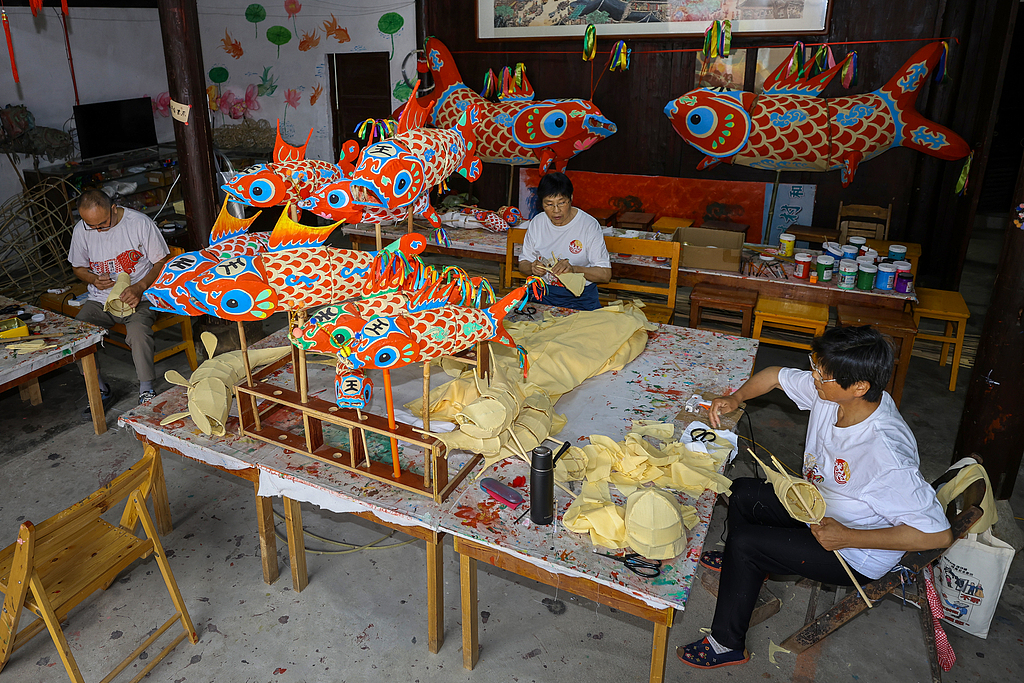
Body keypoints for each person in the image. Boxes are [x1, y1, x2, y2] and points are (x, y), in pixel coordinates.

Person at [678, 325, 952, 670]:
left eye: (823, 373)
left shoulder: (886, 454)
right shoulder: (833, 393)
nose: (814, 377)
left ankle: (726, 643)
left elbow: (937, 535)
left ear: (859, 387)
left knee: (744, 543)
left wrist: (847, 537)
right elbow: (774, 376)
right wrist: (737, 398)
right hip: (819, 507)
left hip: (854, 551)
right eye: (815, 366)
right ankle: (749, 570)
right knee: (743, 491)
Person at [69, 190, 171, 411]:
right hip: (100, 300)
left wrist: (140, 287)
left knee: (138, 333)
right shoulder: (81, 230)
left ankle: (146, 389)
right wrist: (93, 279)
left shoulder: (139, 223)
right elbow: (78, 267)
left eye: (103, 224)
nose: (98, 230)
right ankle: (100, 388)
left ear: (113, 209)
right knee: (77, 333)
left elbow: (162, 261)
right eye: (91, 225)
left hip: (140, 296)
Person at [518, 172, 611, 310]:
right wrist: (532, 267)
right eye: (549, 204)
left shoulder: (588, 225)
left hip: (580, 298)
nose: (556, 210)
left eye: (561, 203)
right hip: (543, 295)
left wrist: (574, 269)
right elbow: (523, 264)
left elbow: (605, 275)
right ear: (541, 202)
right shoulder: (537, 222)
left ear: (571, 198)